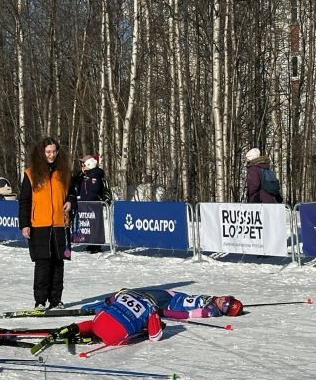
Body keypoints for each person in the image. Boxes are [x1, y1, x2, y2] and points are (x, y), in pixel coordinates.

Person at [53, 288, 244, 347]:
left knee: (120, 300)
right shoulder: (211, 300)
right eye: (227, 298)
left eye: (226, 305)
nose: (223, 300)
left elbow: (186, 313)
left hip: (164, 304)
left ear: (224, 311)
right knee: (126, 298)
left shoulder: (210, 311)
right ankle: (94, 312)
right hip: (166, 297)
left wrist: (162, 315)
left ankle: (93, 311)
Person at [19, 137, 76, 310]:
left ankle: (56, 300)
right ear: (42, 153)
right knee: (43, 263)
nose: (51, 155)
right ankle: (40, 301)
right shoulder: (31, 173)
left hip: (60, 224)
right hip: (39, 225)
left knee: (59, 263)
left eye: (54, 151)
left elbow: (71, 193)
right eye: (48, 152)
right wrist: (25, 224)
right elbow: (25, 201)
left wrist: (71, 201)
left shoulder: (64, 172)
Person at [73, 154, 106, 253]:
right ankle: (90, 243)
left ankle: (96, 245)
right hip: (86, 204)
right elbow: (75, 184)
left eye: (84, 164)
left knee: (95, 225)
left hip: (93, 204)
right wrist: (80, 174)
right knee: (88, 225)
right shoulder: (85, 175)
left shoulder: (95, 175)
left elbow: (94, 190)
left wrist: (87, 200)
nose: (82, 166)